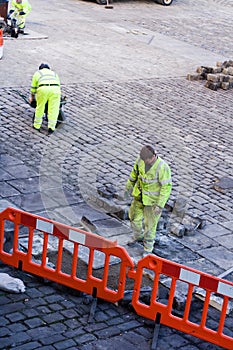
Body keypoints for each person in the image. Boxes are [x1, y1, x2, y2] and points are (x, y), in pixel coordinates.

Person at [125, 145, 172, 257]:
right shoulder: (140, 161)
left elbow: (166, 188)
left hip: (153, 203)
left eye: (147, 160)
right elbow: (133, 175)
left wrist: (160, 205)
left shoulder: (162, 168)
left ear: (153, 157)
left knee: (150, 227)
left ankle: (148, 249)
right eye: (143, 160)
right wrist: (128, 188)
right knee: (134, 220)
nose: (145, 162)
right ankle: (138, 236)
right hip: (139, 197)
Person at [29, 63, 61, 135]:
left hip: (43, 89)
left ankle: (37, 126)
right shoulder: (54, 74)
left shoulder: (38, 73)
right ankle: (51, 127)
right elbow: (58, 85)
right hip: (55, 90)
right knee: (54, 109)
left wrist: (32, 98)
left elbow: (33, 88)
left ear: (40, 69)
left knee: (40, 107)